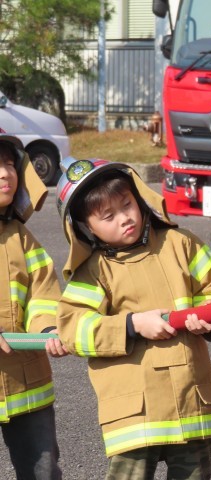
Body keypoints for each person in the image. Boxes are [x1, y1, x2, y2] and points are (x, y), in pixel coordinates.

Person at [54, 158, 211, 479]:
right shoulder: (93, 272)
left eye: (127, 204)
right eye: (108, 216)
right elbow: (73, 328)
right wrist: (132, 325)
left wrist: (207, 314)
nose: (125, 218)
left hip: (190, 403)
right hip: (134, 414)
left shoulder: (181, 243)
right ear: (85, 227)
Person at [0, 135, 67, 479]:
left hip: (27, 387)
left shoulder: (22, 239)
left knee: (42, 472)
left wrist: (47, 329)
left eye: (10, 164)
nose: (5, 173)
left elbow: (44, 294)